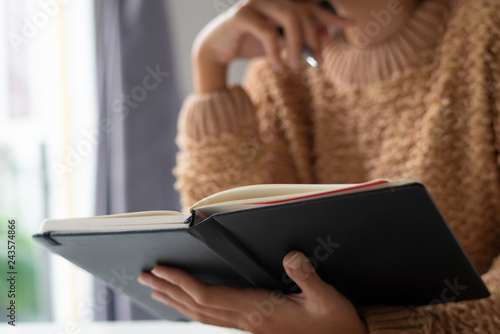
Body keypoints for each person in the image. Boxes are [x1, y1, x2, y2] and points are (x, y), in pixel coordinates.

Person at [138, 0, 500, 332]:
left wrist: (364, 329)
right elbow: (227, 244)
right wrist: (210, 66)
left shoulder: (486, 30)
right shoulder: (285, 64)